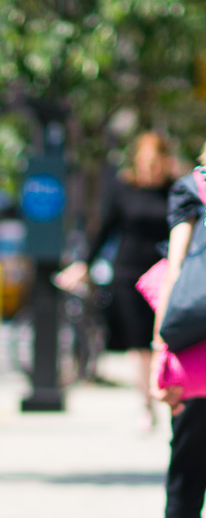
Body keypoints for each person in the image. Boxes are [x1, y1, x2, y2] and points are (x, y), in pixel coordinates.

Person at [133, 142, 206, 518]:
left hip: (199, 363)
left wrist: (163, 349)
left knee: (187, 481)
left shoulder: (195, 188)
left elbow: (177, 272)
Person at [55, 131, 175, 428]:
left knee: (166, 338)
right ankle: (146, 404)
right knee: (138, 343)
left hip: (166, 274)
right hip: (128, 274)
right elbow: (104, 230)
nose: (151, 168)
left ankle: (169, 397)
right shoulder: (123, 188)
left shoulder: (175, 191)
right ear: (137, 160)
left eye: (156, 162)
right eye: (146, 161)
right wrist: (83, 264)